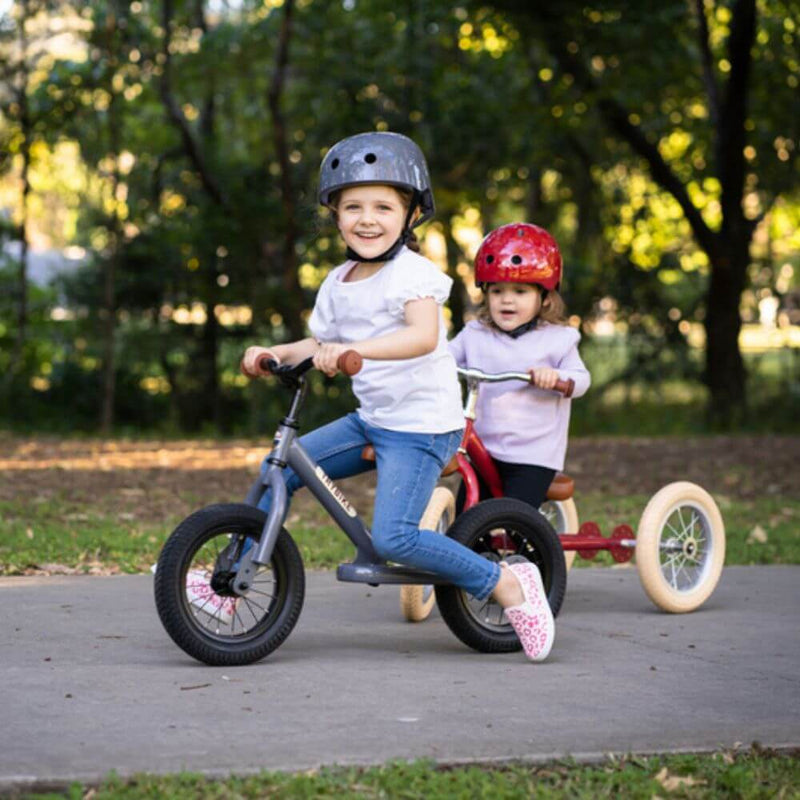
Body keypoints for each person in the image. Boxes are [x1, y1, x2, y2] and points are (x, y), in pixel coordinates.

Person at [240, 132, 554, 661]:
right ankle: (238, 572)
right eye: (352, 206)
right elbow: (317, 343)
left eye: (383, 206)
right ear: (334, 215)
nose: (367, 218)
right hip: (374, 417)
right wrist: (272, 351)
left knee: (395, 539)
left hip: (423, 425)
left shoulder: (413, 275)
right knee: (279, 469)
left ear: (410, 215)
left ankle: (506, 585)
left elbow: (422, 336)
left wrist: (351, 351)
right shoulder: (338, 281)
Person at [449, 222, 591, 513]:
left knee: (516, 519)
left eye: (520, 291)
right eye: (497, 290)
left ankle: (524, 556)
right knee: (468, 514)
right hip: (484, 449)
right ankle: (466, 555)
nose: (507, 299)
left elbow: (582, 379)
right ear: (485, 294)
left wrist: (556, 378)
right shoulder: (475, 334)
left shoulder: (557, 340)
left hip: (533, 456)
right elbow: (442, 358)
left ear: (545, 297)